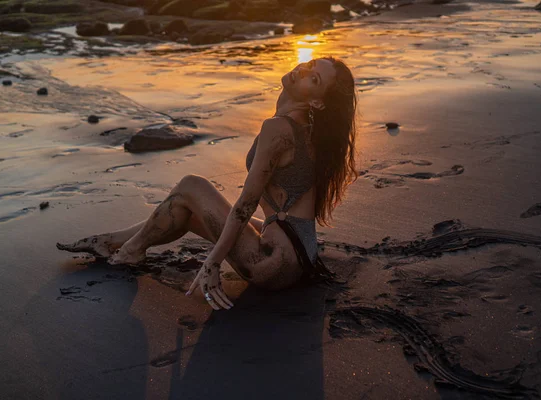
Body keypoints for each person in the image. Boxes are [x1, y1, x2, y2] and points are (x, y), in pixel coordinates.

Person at [57, 57, 358, 310]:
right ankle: (111, 241)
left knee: (192, 185)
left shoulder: (279, 128)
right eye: (311, 63)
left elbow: (246, 203)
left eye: (314, 79)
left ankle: (129, 250)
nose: (303, 69)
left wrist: (212, 263)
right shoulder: (305, 130)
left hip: (272, 264)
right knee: (185, 207)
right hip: (296, 258)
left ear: (317, 102)